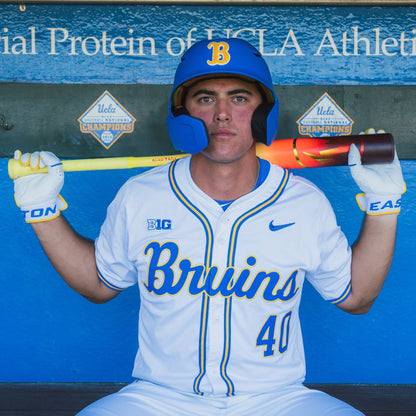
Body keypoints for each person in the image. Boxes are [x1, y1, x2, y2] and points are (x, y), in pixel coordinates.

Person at [13, 38, 405, 416]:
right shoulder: (141, 194)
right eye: (205, 98)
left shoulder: (304, 202)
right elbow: (99, 284)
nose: (222, 113)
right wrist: (42, 211)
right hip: (160, 397)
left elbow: (356, 297)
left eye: (239, 97)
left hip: (276, 399)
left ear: (263, 112)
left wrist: (383, 207)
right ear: (181, 113)